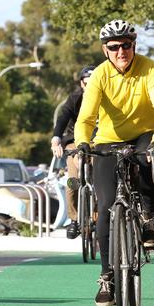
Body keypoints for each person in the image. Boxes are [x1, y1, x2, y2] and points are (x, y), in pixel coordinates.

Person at [74, 19, 154, 306]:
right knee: (105, 208)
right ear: (105, 50)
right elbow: (86, 117)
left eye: (126, 45)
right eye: (114, 47)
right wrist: (82, 141)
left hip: (144, 134)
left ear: (134, 46)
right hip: (108, 139)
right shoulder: (100, 75)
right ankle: (107, 277)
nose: (121, 51)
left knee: (150, 158)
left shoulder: (149, 68)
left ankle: (148, 215)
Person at [51, 65, 96, 239]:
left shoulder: (108, 97)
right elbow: (63, 117)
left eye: (94, 83)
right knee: (73, 180)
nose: (90, 87)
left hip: (100, 142)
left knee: (104, 175)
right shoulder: (75, 98)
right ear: (81, 84)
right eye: (86, 83)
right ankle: (75, 219)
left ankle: (101, 216)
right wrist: (56, 138)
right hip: (75, 142)